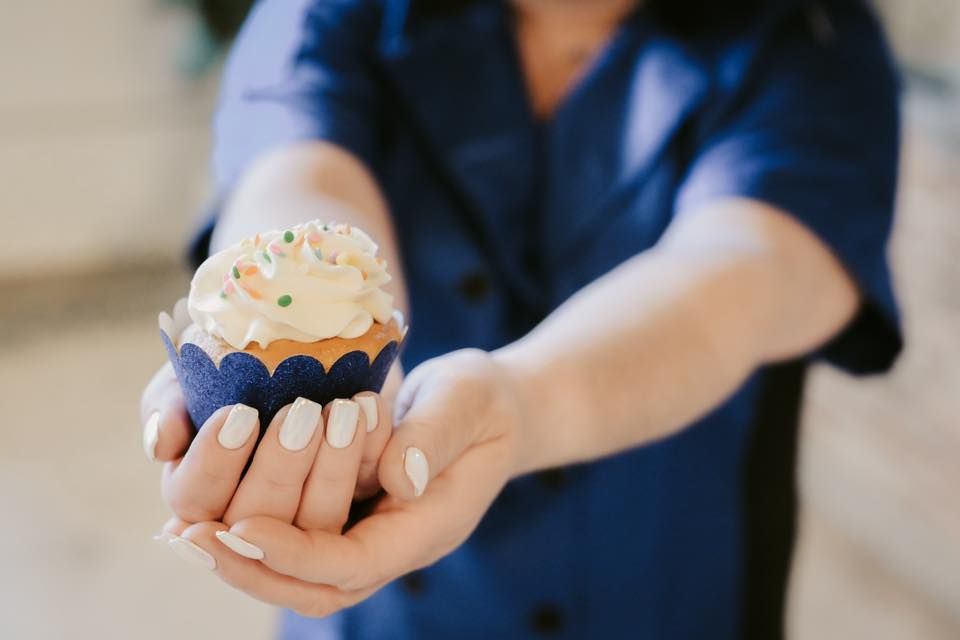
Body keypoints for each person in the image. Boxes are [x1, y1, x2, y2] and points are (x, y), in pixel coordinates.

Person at [139, 0, 902, 637]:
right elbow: (300, 173)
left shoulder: (808, 44)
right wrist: (274, 336)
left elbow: (748, 275)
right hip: (381, 599)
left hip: (665, 583)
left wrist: (517, 404)